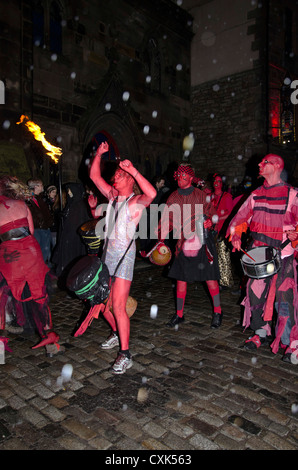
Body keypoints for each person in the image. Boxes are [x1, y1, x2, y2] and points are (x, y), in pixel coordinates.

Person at [89, 141, 156, 374]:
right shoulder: (112, 196)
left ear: (130, 180)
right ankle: (117, 333)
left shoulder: (136, 202)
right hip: (107, 257)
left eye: (120, 174)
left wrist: (133, 170)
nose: (114, 177)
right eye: (116, 174)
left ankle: (125, 354)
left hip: (124, 260)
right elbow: (95, 176)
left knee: (117, 307)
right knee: (102, 305)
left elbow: (152, 193)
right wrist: (98, 154)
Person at [227, 154, 298, 363]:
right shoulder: (256, 195)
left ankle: (290, 342)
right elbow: (239, 218)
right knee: (254, 294)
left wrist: (296, 234)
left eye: (264, 162)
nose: (259, 164)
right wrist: (237, 235)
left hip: (283, 255)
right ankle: (261, 332)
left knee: (285, 298)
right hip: (258, 255)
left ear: (276, 166)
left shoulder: (292, 195)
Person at [0, 175, 63, 356]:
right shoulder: (22, 205)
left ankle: (1, 343)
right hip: (30, 251)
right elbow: (31, 231)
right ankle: (49, 337)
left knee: (3, 295)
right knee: (39, 294)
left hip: (10, 254)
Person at [157, 163, 223, 329]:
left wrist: (210, 222)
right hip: (183, 243)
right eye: (178, 175)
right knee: (181, 279)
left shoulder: (201, 195)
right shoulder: (172, 197)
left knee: (210, 279)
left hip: (202, 241)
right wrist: (161, 240)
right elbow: (166, 221)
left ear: (191, 178)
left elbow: (213, 214)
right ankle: (179, 314)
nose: (180, 178)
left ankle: (218, 311)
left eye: (184, 176)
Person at [52, 182, 91, 278]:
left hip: (74, 238)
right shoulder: (71, 204)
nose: (69, 193)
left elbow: (78, 222)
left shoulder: (79, 206)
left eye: (70, 191)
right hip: (67, 238)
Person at [211, 173, 234, 288]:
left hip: (222, 230)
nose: (216, 183)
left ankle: (225, 281)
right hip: (211, 230)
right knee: (213, 256)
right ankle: (215, 279)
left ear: (222, 184)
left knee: (223, 256)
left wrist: (218, 218)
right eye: (215, 181)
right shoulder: (210, 197)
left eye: (219, 181)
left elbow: (230, 213)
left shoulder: (226, 197)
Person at [26, 178, 53, 265]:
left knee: (45, 250)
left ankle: (43, 268)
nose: (42, 187)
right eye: (41, 185)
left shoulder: (40, 198)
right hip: (38, 229)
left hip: (44, 227)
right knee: (40, 250)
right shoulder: (28, 199)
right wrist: (39, 223)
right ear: (36, 186)